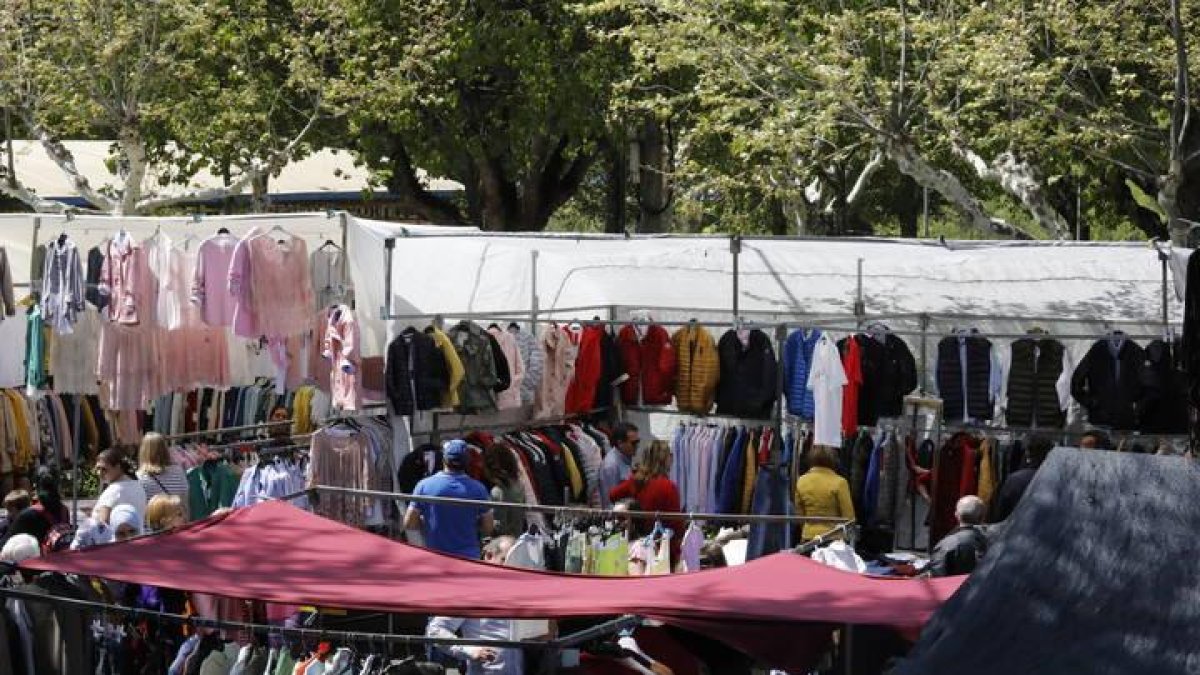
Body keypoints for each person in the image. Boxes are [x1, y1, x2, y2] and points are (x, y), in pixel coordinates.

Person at [427, 536, 524, 675]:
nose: (512, 567)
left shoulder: (520, 594)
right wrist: (470, 650)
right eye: (506, 560)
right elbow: (435, 630)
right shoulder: (470, 593)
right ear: (489, 556)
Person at [404, 440, 494, 559]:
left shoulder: (424, 486)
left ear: (444, 459)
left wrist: (429, 522)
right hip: (469, 559)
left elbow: (409, 523)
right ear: (467, 462)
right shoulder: (479, 489)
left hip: (436, 557)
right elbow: (488, 528)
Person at [609, 440, 683, 567]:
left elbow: (613, 495)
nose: (672, 458)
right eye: (670, 455)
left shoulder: (636, 480)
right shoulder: (668, 486)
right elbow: (676, 524)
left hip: (637, 543)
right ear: (663, 458)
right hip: (660, 547)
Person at [793, 445, 855, 541]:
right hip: (833, 536)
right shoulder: (840, 482)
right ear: (832, 460)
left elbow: (799, 513)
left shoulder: (801, 481)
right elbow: (849, 516)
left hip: (808, 536)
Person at [991, 435, 1053, 523]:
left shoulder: (1014, 480)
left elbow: (1001, 515)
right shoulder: (1058, 481)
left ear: (1028, 454)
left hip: (1017, 531)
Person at [8, 466, 71, 547]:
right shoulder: (64, 511)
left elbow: (5, 547)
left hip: (35, 558)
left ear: (35, 485)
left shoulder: (27, 515)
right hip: (60, 558)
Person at [929, 495, 988, 577]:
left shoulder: (946, 544)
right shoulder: (998, 539)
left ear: (956, 515)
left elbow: (937, 577)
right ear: (983, 517)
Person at [94, 447, 148, 525]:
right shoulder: (138, 485)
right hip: (137, 535)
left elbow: (102, 525)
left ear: (117, 467)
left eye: (104, 469)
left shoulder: (114, 490)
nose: (99, 473)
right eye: (98, 469)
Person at [136, 432, 190, 508]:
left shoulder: (139, 478)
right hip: (177, 518)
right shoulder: (178, 471)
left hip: (155, 519)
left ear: (143, 451)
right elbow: (185, 502)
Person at [483, 443, 526, 536]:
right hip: (517, 539)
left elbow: (499, 527)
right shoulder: (519, 484)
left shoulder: (498, 492)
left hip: (502, 545)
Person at [600, 423, 640, 508]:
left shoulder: (626, 458)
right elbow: (609, 504)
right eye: (633, 443)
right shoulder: (611, 466)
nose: (637, 446)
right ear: (620, 443)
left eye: (638, 442)